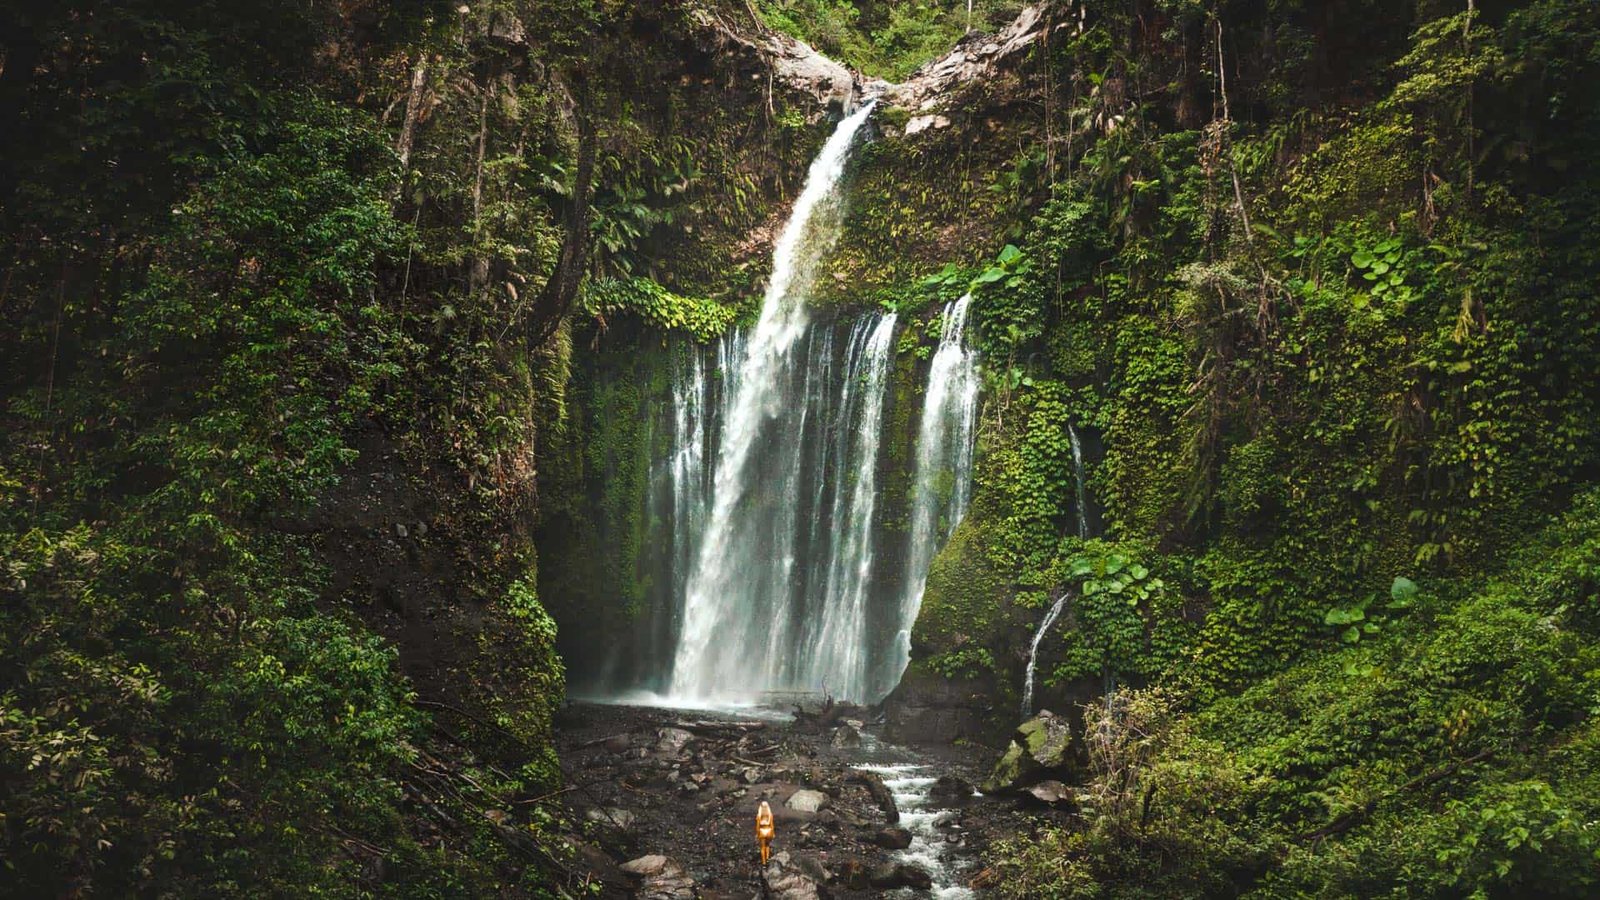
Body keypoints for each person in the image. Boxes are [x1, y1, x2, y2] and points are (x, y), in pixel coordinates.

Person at [755, 800, 776, 864]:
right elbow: (772, 825)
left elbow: (757, 826)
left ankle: (763, 862)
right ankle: (767, 858)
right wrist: (773, 833)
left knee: (762, 847)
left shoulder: (759, 816)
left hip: (762, 831)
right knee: (767, 845)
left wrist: (757, 834)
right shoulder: (770, 815)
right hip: (769, 830)